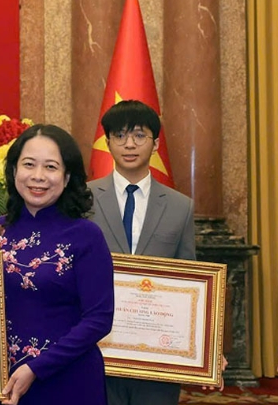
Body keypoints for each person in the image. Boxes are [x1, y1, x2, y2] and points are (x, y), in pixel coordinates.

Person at [0, 124, 115, 405]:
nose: (38, 176)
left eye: (50, 167)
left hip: (69, 381)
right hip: (4, 382)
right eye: (29, 164)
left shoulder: (86, 235)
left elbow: (99, 319)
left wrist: (36, 368)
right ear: (14, 170)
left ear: (67, 177)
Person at [88, 100, 195, 405]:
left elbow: (190, 280)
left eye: (139, 135)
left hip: (157, 357)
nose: (129, 144)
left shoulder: (180, 206)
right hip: (97, 349)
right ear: (107, 142)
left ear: (156, 143)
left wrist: (203, 345)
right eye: (120, 135)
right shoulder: (84, 200)